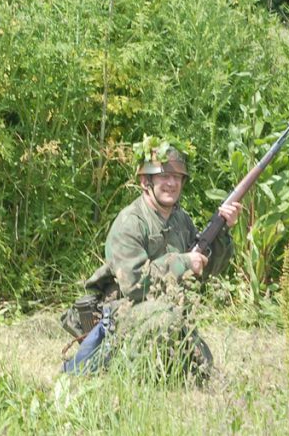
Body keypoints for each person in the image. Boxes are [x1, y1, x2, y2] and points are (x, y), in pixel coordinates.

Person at [67, 143, 240, 380]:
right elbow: (134, 284)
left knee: (202, 367)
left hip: (170, 312)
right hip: (126, 313)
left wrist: (223, 232)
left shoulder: (181, 220)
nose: (172, 183)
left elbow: (208, 271)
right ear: (145, 182)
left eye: (177, 177)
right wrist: (183, 263)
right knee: (165, 320)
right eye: (164, 176)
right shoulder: (130, 222)